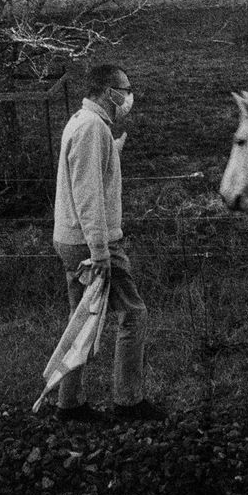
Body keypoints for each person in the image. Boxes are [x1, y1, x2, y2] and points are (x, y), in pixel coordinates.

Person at [50, 64, 166, 423]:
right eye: (125, 89)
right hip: (92, 243)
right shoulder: (91, 129)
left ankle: (69, 405)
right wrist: (100, 252)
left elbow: (87, 173)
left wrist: (112, 151)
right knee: (133, 313)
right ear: (106, 91)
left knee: (81, 321)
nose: (129, 97)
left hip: (72, 239)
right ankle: (129, 401)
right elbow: (88, 196)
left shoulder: (86, 124)